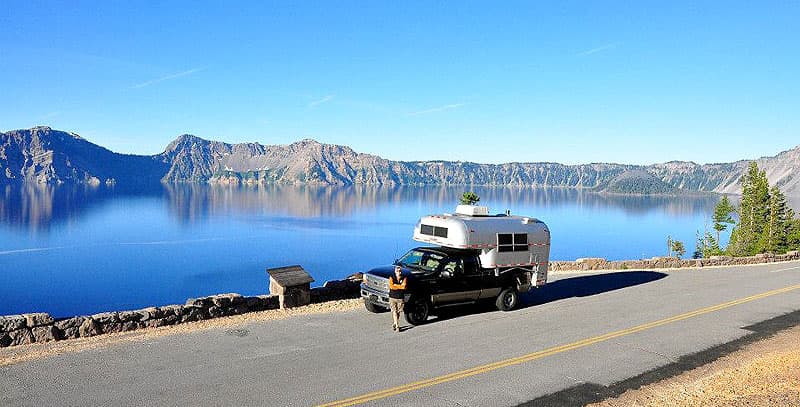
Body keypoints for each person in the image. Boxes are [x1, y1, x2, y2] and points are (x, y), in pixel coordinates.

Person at [388, 265, 407, 332]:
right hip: (392, 297)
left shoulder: (404, 278)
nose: (399, 272)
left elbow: (404, 286)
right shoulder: (391, 277)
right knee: (394, 311)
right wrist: (399, 286)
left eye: (400, 271)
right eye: (397, 271)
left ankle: (395, 323)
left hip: (400, 298)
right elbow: (391, 286)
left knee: (398, 312)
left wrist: (396, 285)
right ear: (395, 272)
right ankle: (397, 326)